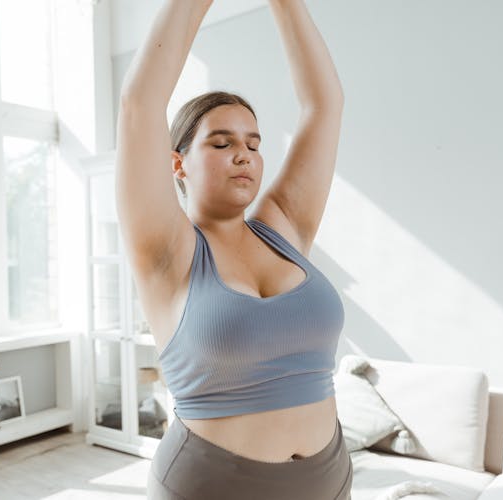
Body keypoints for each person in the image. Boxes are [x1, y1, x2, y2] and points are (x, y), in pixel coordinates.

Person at [115, 0, 349, 498]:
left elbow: (324, 105)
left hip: (327, 480)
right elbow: (140, 102)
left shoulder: (282, 229)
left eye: (253, 143)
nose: (243, 153)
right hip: (211, 485)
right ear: (177, 165)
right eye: (220, 143)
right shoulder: (167, 249)